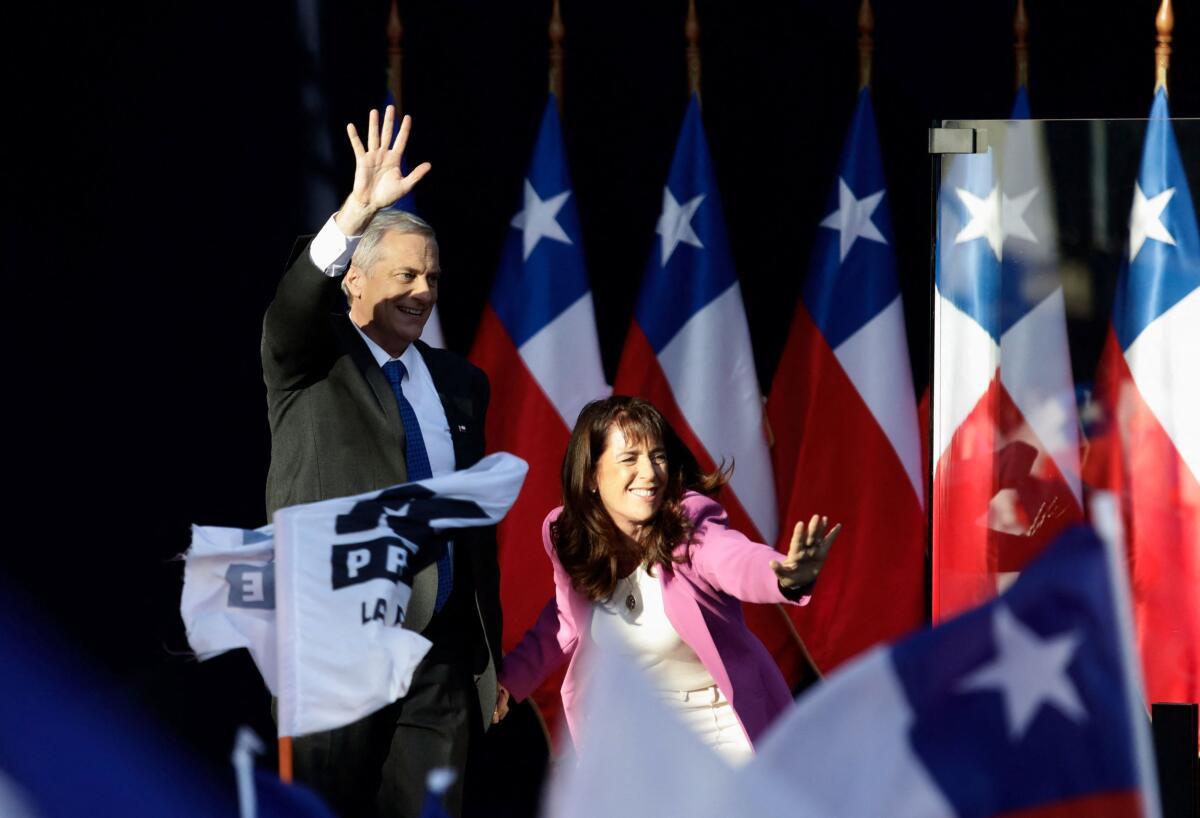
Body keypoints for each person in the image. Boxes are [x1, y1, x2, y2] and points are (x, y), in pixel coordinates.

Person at [262, 106, 501, 818]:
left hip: (439, 655)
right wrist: (355, 213)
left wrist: (480, 649)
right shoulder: (309, 362)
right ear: (354, 283)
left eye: (432, 278)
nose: (423, 292)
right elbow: (291, 307)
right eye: (404, 276)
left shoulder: (462, 382)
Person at [493, 396, 840, 765]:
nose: (650, 473)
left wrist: (783, 576)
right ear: (592, 476)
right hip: (638, 740)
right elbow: (564, 623)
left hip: (722, 734)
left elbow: (732, 559)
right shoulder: (571, 537)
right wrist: (507, 683)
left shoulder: (688, 524)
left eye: (657, 457)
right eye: (629, 459)